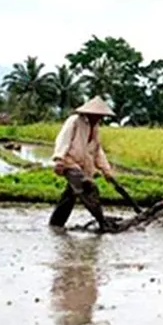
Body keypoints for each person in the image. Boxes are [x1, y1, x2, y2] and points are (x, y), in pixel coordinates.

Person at [48, 97, 118, 229]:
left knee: (69, 197)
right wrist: (59, 160)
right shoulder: (74, 121)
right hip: (70, 162)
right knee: (88, 188)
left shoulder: (95, 127)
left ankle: (55, 225)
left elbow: (97, 150)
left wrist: (106, 170)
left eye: (101, 116)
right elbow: (63, 139)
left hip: (83, 166)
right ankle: (101, 220)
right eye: (98, 115)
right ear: (90, 113)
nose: (99, 118)